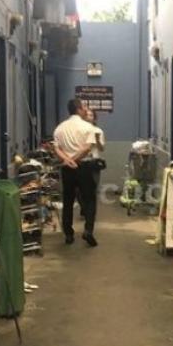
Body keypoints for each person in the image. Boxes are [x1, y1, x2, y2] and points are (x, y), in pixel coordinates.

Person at [53, 99, 99, 247]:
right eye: (84, 107)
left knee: (68, 200)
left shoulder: (60, 128)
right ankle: (88, 231)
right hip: (84, 166)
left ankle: (68, 234)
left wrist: (67, 160)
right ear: (78, 109)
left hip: (67, 168)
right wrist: (73, 159)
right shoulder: (88, 127)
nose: (86, 109)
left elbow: (57, 149)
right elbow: (87, 148)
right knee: (90, 199)